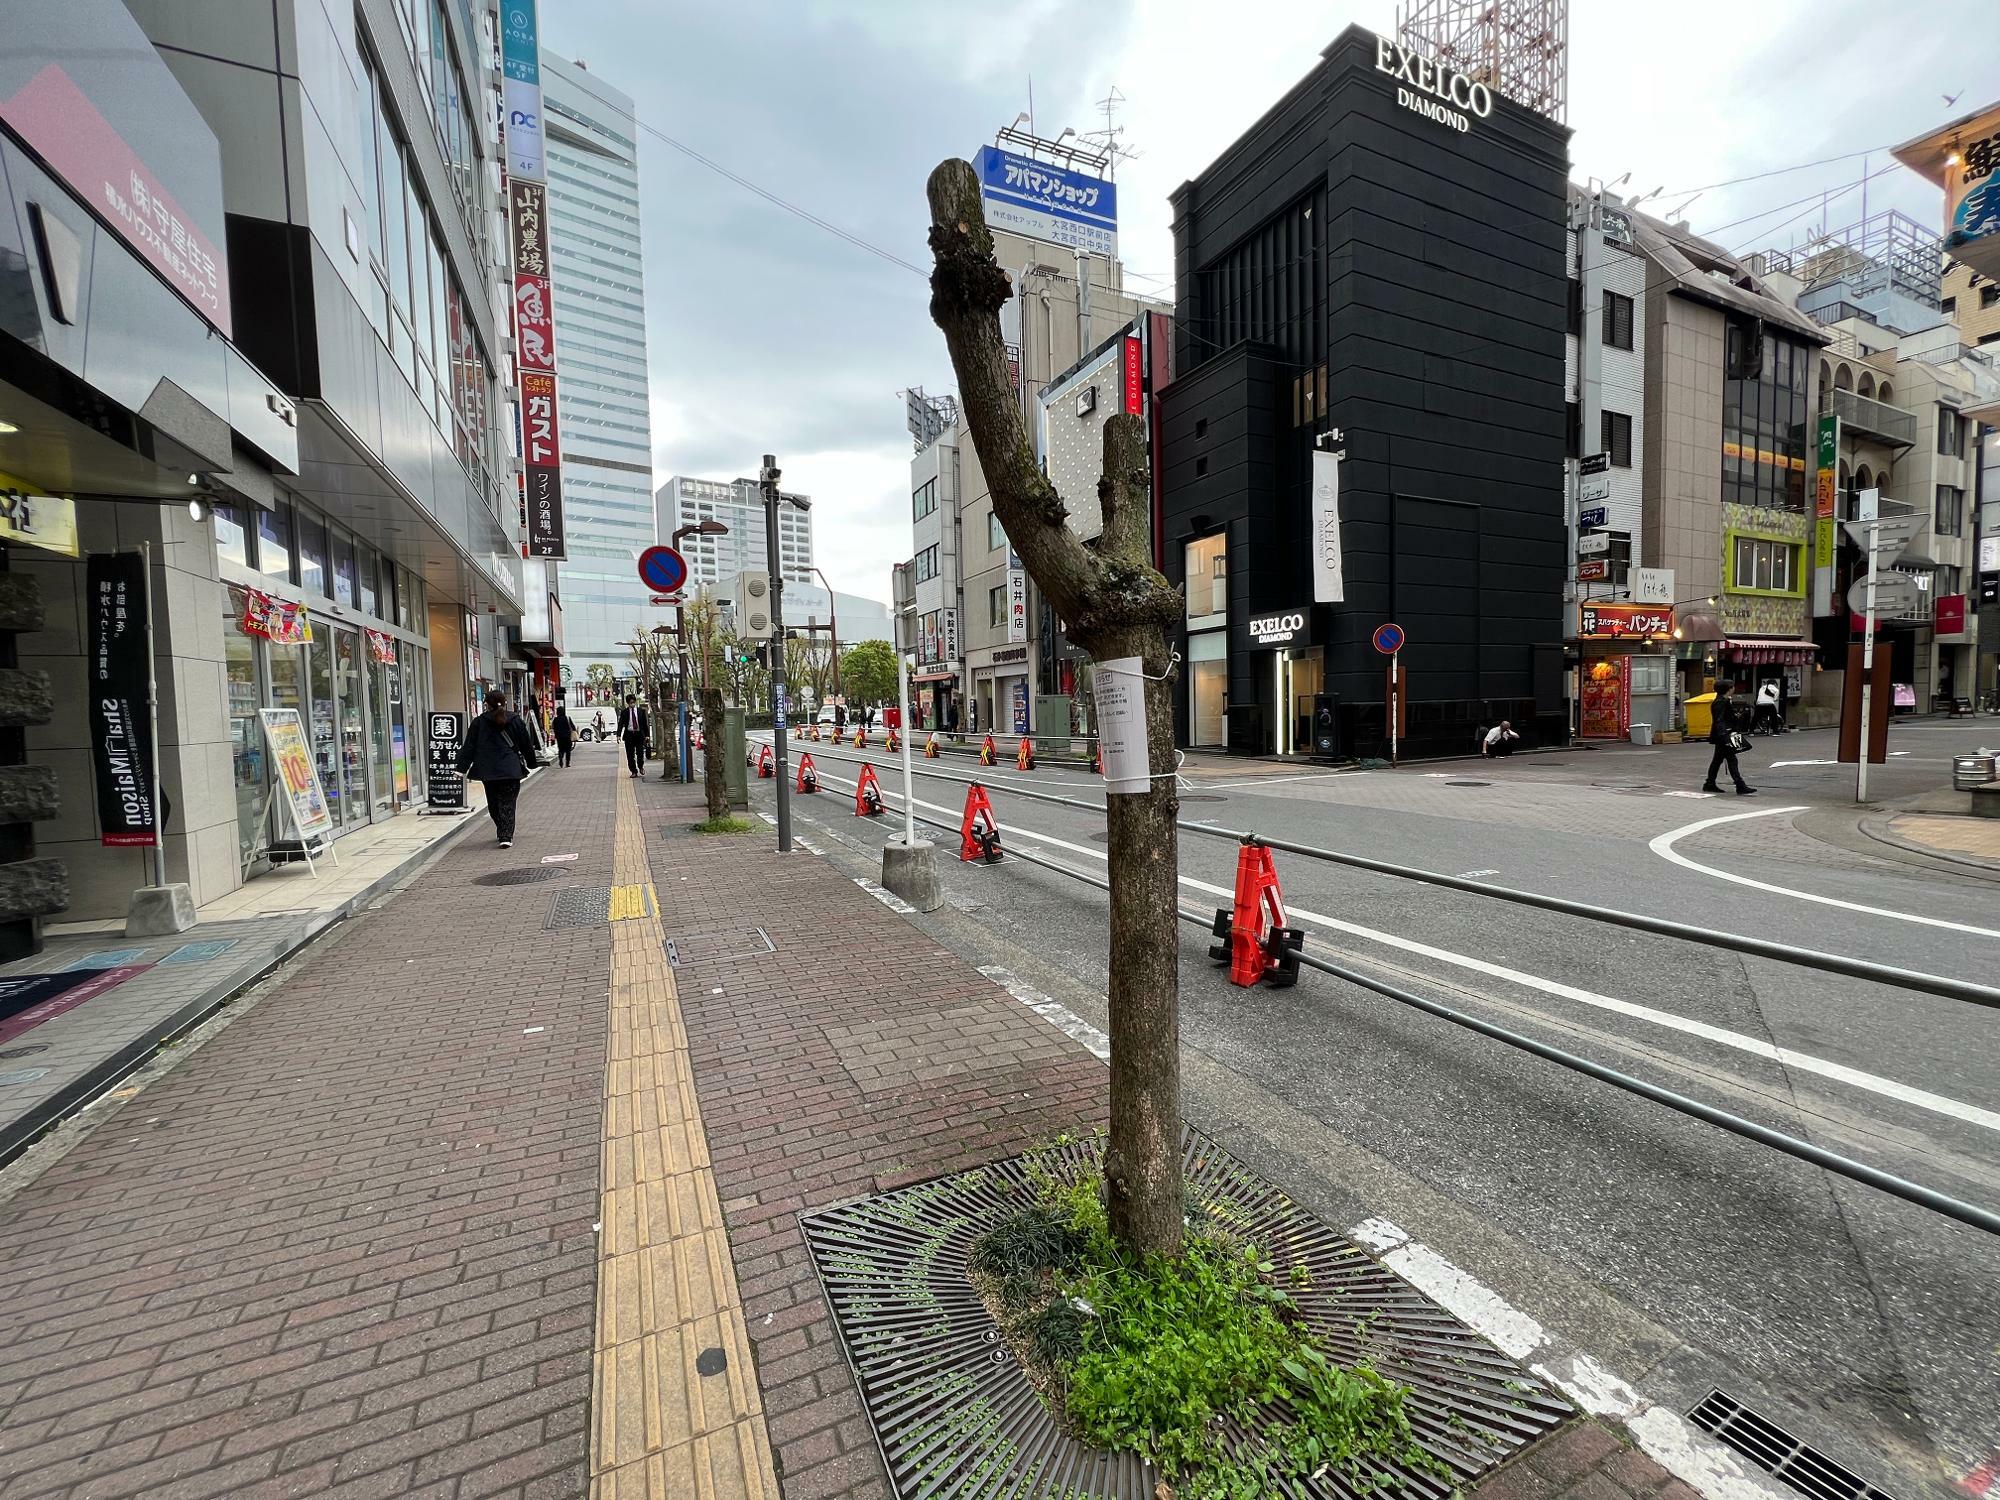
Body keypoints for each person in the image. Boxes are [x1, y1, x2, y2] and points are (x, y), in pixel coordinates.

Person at [457, 689, 537, 846]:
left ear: (486, 705)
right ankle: (506, 835)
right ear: (505, 703)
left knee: (494, 804)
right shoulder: (515, 720)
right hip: (511, 769)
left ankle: (503, 829)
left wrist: (461, 768)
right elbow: (526, 744)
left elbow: (469, 747)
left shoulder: (479, 723)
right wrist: (532, 762)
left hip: (488, 771)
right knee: (508, 803)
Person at [1703, 685, 1757, 795]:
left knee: (1717, 760)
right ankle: (1740, 785)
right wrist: (1724, 733)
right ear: (1728, 689)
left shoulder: (1722, 700)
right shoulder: (1721, 702)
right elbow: (1719, 719)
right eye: (1732, 687)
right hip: (1724, 734)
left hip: (1722, 734)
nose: (1734, 689)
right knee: (1731, 760)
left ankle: (1710, 783)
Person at [619, 693, 649, 777]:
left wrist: (647, 735)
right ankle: (633, 771)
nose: (632, 704)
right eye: (630, 702)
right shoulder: (624, 712)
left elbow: (644, 724)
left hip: (639, 735)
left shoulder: (641, 711)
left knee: (640, 753)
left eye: (633, 702)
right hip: (629, 735)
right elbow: (620, 723)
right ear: (628, 703)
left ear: (635, 702)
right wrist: (618, 735)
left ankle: (640, 766)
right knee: (630, 755)